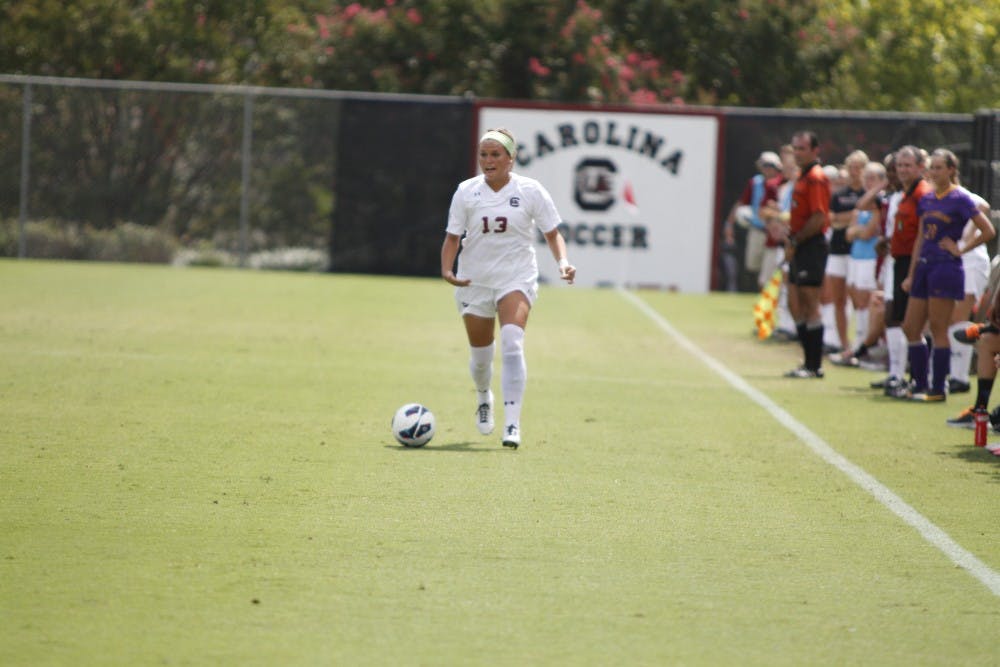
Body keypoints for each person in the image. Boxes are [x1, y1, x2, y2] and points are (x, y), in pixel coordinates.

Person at [440, 128, 576, 449]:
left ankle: (512, 424)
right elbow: (452, 238)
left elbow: (552, 233)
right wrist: (447, 270)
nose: (488, 160)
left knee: (513, 343)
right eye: (483, 154)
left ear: (511, 159)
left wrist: (563, 263)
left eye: (495, 154)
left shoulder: (531, 190)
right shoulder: (466, 191)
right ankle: (483, 396)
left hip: (516, 277)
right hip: (475, 280)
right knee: (481, 357)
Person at [897, 148, 995, 401]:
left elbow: (987, 230)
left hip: (946, 267)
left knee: (939, 328)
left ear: (951, 170)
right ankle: (920, 383)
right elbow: (921, 237)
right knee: (910, 327)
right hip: (925, 266)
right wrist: (911, 273)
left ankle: (938, 388)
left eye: (939, 167)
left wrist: (960, 248)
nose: (934, 172)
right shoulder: (927, 198)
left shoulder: (960, 198)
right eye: (932, 167)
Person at [881, 146, 933, 396]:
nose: (902, 170)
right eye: (899, 165)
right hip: (901, 261)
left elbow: (922, 237)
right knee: (908, 324)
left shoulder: (922, 194)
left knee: (915, 325)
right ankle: (917, 380)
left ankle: (923, 381)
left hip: (915, 263)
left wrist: (913, 272)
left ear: (921, 167)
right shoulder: (905, 194)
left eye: (907, 165)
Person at [783, 131, 831, 378]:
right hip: (800, 245)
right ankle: (807, 360)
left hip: (811, 245)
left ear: (815, 150)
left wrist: (796, 239)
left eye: (802, 148)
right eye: (795, 148)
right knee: (795, 303)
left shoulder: (815, 177)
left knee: (810, 303)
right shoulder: (802, 175)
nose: (797, 153)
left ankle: (814, 365)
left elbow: (819, 216)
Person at [832, 160, 887, 366]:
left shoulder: (878, 205)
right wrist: (856, 231)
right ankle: (859, 344)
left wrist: (856, 231)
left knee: (866, 302)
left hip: (869, 258)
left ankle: (864, 347)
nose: (868, 182)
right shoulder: (862, 206)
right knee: (857, 302)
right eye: (867, 178)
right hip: (856, 257)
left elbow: (866, 233)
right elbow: (849, 234)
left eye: (872, 178)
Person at [945, 189, 993, 393]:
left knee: (960, 316)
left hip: (971, 262)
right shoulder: (933, 197)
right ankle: (953, 373)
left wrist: (968, 234)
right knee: (948, 318)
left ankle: (960, 377)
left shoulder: (960, 194)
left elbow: (983, 205)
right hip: (952, 262)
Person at [823, 151, 869, 354]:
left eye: (858, 167)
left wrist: (845, 219)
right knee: (838, 300)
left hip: (858, 252)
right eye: (851, 167)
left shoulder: (868, 195)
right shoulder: (839, 195)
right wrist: (854, 216)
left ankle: (861, 341)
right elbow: (831, 220)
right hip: (837, 250)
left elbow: (868, 219)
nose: (854, 172)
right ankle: (843, 344)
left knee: (859, 298)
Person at [724, 151, 782, 289]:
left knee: (770, 269)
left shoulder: (781, 183)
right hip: (757, 229)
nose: (766, 169)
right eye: (764, 165)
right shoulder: (755, 182)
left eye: (770, 165)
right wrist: (729, 224)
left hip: (774, 232)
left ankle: (768, 293)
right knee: (753, 265)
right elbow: (742, 203)